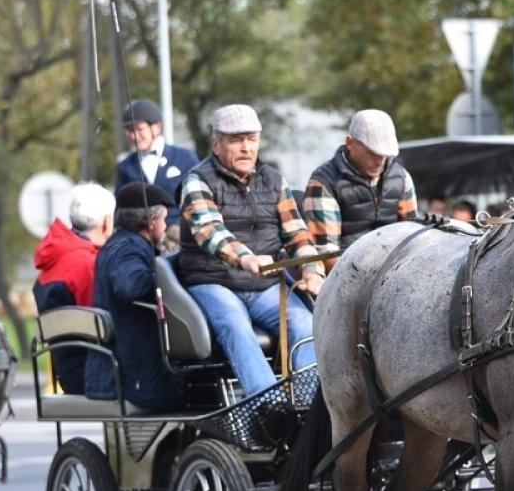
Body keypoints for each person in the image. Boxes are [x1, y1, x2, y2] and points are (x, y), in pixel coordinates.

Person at [176, 104, 322, 397]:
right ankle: (267, 404)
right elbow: (209, 231)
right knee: (235, 325)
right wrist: (244, 257)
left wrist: (312, 271)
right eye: (236, 140)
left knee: (306, 323)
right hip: (214, 281)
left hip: (265, 284)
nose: (246, 148)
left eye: (252, 139)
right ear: (216, 144)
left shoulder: (275, 180)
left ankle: (308, 406)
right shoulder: (197, 181)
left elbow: (297, 233)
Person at [83, 183, 181, 411]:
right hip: (134, 380)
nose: (166, 226)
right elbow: (131, 286)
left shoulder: (118, 244)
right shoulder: (129, 248)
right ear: (151, 221)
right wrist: (170, 270)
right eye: (164, 219)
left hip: (122, 373)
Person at [302, 109, 418, 258]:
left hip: (395, 265)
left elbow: (413, 236)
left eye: (385, 153)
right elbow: (327, 254)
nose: (380, 161)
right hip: (345, 267)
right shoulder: (323, 183)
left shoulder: (402, 178)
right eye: (372, 152)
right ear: (350, 143)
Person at [114, 98, 200, 203]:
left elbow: (198, 198)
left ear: (157, 127)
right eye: (130, 131)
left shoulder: (185, 157)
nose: (134, 136)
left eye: (139, 129)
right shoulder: (125, 167)